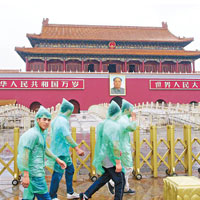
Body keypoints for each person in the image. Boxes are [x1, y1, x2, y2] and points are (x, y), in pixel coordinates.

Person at [17, 106, 66, 200]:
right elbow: (25, 155)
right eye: (44, 119)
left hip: (34, 173)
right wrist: (26, 175)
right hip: (35, 174)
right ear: (38, 119)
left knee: (28, 198)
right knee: (45, 197)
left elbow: (44, 149)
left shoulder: (40, 134)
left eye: (48, 120)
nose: (47, 122)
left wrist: (57, 160)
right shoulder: (33, 135)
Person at [79, 101, 125, 200]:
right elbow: (115, 144)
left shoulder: (103, 123)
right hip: (111, 158)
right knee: (120, 181)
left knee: (105, 178)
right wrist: (118, 162)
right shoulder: (114, 126)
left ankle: (86, 195)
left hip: (104, 156)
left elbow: (102, 141)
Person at [49, 98, 84, 200]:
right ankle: (52, 196)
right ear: (68, 111)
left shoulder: (56, 119)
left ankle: (70, 192)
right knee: (58, 173)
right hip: (60, 152)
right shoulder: (62, 121)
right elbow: (67, 136)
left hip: (60, 150)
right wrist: (77, 148)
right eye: (71, 111)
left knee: (70, 169)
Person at [107, 99, 137, 195]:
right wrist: (134, 118)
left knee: (124, 168)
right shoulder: (123, 120)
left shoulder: (122, 118)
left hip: (122, 146)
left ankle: (125, 187)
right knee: (128, 168)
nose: (132, 111)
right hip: (122, 148)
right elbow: (132, 128)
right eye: (131, 109)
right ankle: (112, 182)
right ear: (127, 109)